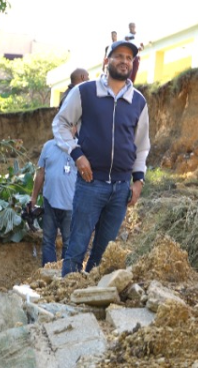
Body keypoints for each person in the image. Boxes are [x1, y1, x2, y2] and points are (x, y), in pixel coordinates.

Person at [54, 39, 150, 276]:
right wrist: (77, 154)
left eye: (129, 58)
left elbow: (141, 144)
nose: (124, 61)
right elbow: (61, 124)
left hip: (121, 189)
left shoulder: (138, 101)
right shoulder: (85, 92)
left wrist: (138, 181)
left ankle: (90, 298)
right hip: (90, 184)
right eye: (119, 56)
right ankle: (67, 302)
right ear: (107, 61)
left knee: (104, 253)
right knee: (76, 247)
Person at [30, 137, 78, 265]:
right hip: (49, 202)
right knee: (47, 240)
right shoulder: (48, 146)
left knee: (68, 241)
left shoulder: (80, 148)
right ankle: (48, 274)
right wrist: (33, 197)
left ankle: (66, 275)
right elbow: (40, 173)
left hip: (71, 204)